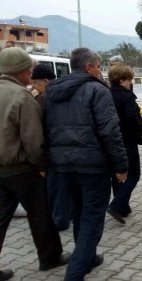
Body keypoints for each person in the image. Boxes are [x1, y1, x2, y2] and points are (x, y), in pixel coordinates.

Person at [45, 47, 128, 280]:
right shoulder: (96, 90)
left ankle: (88, 258)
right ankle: (75, 273)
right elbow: (111, 132)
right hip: (93, 167)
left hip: (63, 167)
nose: (101, 71)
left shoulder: (53, 91)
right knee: (92, 218)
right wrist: (121, 166)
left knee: (79, 212)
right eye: (99, 66)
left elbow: (46, 128)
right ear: (89, 67)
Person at [0, 47, 68, 281]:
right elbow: (33, 140)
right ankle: (49, 257)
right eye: (28, 70)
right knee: (40, 214)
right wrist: (41, 165)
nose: (31, 74)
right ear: (19, 71)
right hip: (21, 169)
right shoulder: (22, 97)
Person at [31, 64, 73, 231]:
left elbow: (38, 126)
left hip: (53, 149)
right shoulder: (66, 91)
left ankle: (59, 220)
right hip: (67, 146)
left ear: (45, 81)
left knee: (55, 188)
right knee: (65, 186)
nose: (33, 86)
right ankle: (67, 216)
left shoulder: (44, 98)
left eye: (35, 83)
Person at [107, 65, 142, 224]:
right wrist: (139, 132)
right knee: (133, 175)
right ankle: (116, 205)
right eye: (129, 79)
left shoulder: (106, 93)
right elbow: (131, 119)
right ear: (122, 79)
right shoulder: (127, 96)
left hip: (111, 141)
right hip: (127, 141)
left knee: (116, 175)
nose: (131, 82)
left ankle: (123, 206)